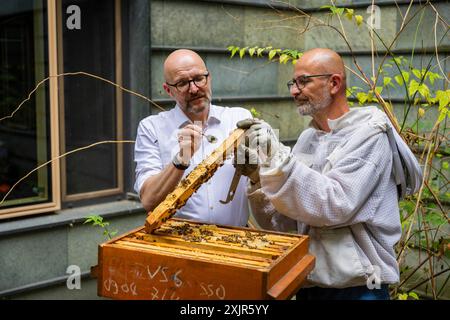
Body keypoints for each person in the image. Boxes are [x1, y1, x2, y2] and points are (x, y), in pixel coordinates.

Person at [235, 48, 421, 300]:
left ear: (334, 83)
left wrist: (277, 155)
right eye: (293, 82)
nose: (294, 91)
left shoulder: (369, 135)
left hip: (360, 288)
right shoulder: (308, 139)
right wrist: (259, 177)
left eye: (304, 81)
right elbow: (286, 222)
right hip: (308, 281)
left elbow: (334, 204)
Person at [134, 49, 251, 227]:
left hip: (235, 240)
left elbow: (264, 183)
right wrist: (180, 161)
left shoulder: (238, 120)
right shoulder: (152, 128)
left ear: (208, 78)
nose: (194, 89)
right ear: (168, 90)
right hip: (180, 245)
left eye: (198, 78)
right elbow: (149, 201)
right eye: (182, 83)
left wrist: (268, 157)